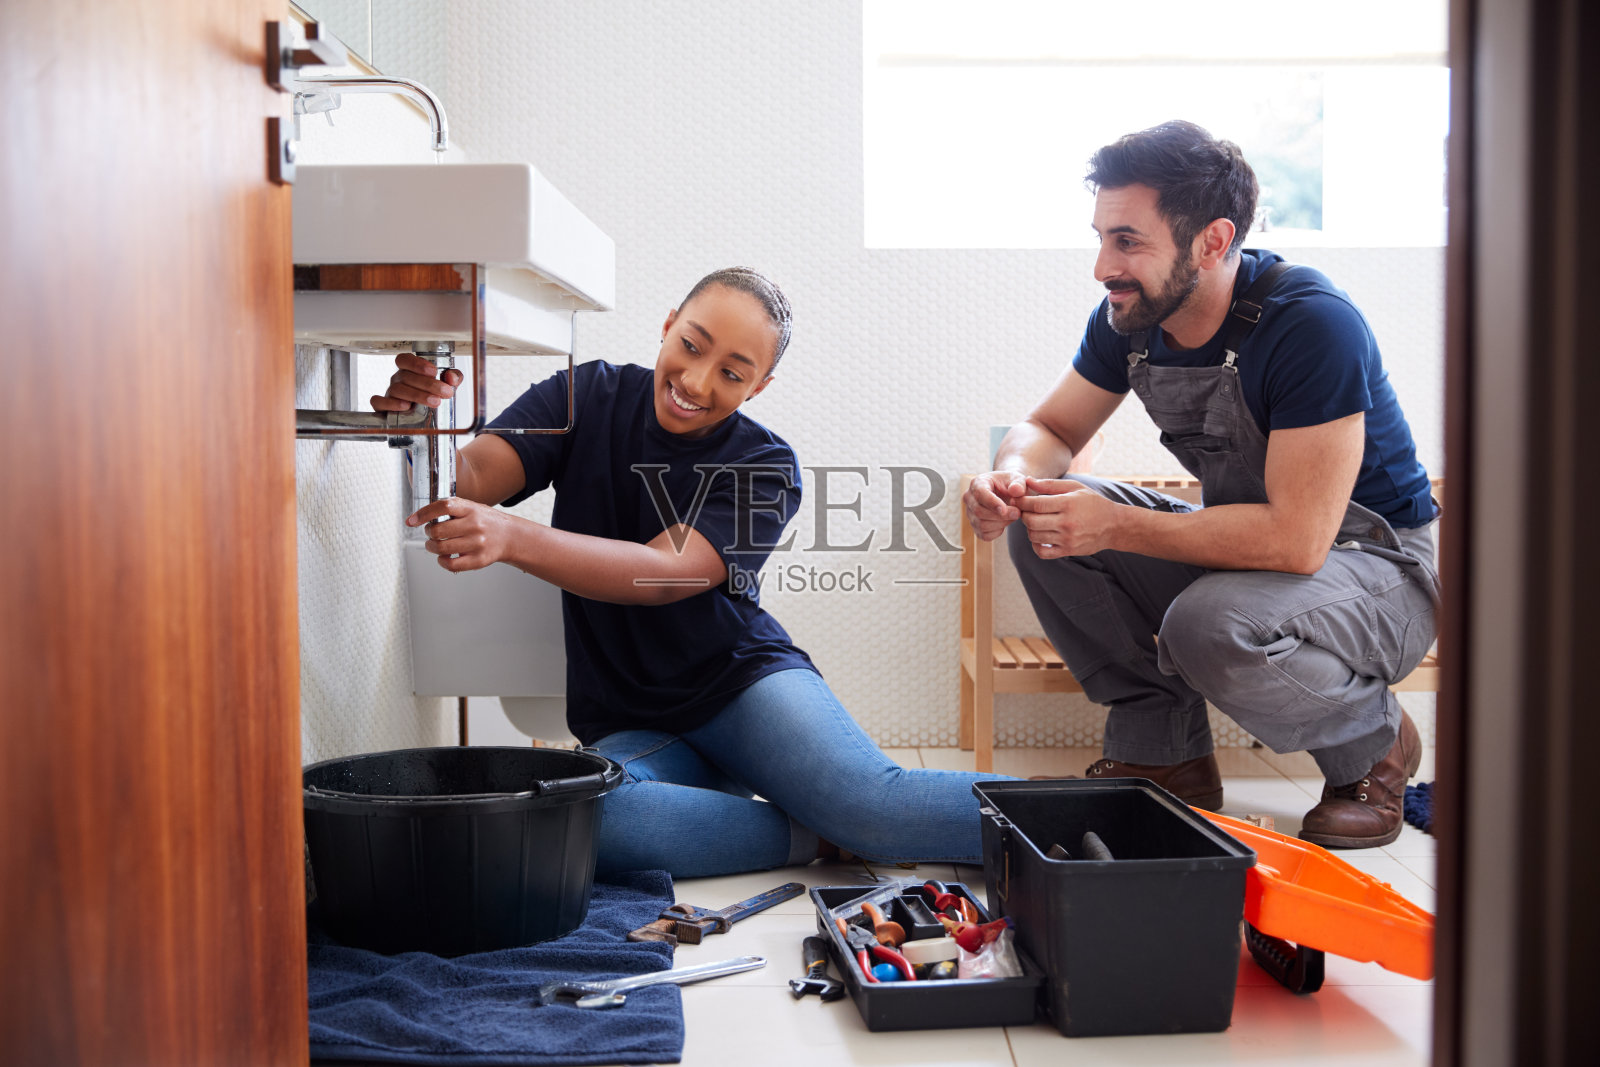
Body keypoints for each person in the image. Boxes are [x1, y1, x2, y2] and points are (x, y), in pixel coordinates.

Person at [377, 266, 1009, 877]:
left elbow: (663, 572)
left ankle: (1082, 814)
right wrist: (422, 424)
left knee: (873, 808)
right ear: (669, 323)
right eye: (691, 345)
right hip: (630, 719)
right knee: (590, 812)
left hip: (742, 689)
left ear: (757, 387)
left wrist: (514, 536)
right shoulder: (583, 395)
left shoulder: (764, 465)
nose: (698, 382)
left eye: (733, 374)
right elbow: (474, 475)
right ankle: (815, 834)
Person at [963, 122, 1439, 849]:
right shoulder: (1132, 316)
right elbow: (1052, 428)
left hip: (1380, 569)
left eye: (1127, 241)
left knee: (1205, 622)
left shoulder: (1311, 325)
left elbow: (1298, 539)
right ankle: (1169, 755)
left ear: (1213, 241)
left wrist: (1117, 525)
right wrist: (1014, 477)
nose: (1102, 266)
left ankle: (1370, 746)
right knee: (1046, 524)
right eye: (1100, 237)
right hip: (1260, 553)